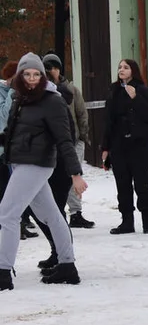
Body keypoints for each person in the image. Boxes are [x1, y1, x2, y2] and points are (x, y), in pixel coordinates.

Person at [0, 53, 88, 290]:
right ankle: (68, 266)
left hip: (36, 164)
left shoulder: (52, 100)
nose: (31, 78)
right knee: (50, 215)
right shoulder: (20, 98)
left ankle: (3, 272)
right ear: (20, 75)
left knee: (7, 214)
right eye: (26, 74)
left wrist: (75, 173)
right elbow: (13, 134)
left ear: (42, 75)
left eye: (36, 74)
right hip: (21, 161)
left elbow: (65, 139)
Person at [102, 59, 148, 234]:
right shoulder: (114, 91)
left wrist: (135, 97)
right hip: (119, 146)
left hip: (138, 146)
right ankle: (127, 222)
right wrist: (105, 148)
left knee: (142, 185)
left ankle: (147, 223)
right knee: (122, 185)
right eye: (119, 67)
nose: (121, 70)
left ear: (133, 71)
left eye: (126, 67)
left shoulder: (142, 90)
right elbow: (108, 121)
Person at [42, 53, 94, 229]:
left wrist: (82, 136)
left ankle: (76, 213)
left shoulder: (71, 90)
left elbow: (81, 113)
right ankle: (55, 213)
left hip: (72, 141)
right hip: (50, 144)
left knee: (74, 176)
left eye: (55, 67)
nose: (52, 71)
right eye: (48, 67)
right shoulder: (41, 91)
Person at [0, 61, 37, 240]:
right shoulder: (4, 93)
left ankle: (20, 224)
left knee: (20, 193)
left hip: (18, 151)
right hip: (2, 152)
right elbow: (3, 119)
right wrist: (13, 93)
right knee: (5, 192)